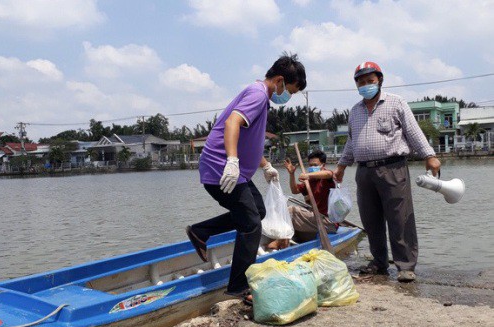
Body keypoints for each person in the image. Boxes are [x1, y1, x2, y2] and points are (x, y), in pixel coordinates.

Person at [186, 53, 307, 304]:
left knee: (257, 211)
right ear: (281, 81)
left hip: (237, 172)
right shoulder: (258, 93)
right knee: (251, 224)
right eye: (291, 91)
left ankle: (200, 232)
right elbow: (232, 123)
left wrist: (264, 165)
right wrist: (231, 161)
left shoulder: (261, 99)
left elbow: (249, 139)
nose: (288, 97)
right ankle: (239, 287)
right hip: (223, 169)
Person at [333, 61, 441, 283]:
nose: (366, 85)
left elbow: (413, 131)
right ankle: (379, 263)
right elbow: (351, 142)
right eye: (361, 82)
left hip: (393, 168)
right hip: (364, 172)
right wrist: (342, 166)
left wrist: (429, 156)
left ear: (379, 80)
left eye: (370, 81)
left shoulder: (396, 103)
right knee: (370, 219)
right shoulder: (354, 111)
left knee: (400, 218)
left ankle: (405, 265)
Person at [274, 150, 337, 247]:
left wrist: (307, 175)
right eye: (310, 165)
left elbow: (329, 174)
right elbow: (295, 190)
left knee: (292, 210)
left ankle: (281, 241)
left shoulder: (326, 179)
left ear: (322, 165)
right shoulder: (310, 182)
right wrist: (291, 174)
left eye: (315, 165)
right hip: (315, 219)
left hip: (328, 222)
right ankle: (283, 238)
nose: (312, 167)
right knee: (284, 208)